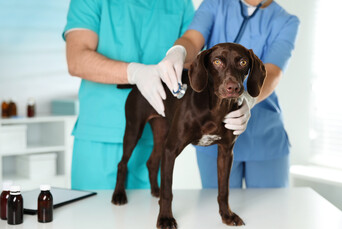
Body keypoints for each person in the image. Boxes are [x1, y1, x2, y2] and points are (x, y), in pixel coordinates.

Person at [158, 0, 300, 188]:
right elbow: (192, 40)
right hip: (211, 126)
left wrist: (249, 99)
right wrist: (179, 51)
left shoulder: (286, 21)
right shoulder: (215, 4)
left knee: (269, 208)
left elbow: (272, 72)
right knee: (215, 207)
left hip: (264, 135)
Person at [63, 0, 194, 190]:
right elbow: (76, 59)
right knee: (92, 217)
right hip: (100, 137)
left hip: (157, 141)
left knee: (150, 216)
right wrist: (134, 72)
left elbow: (194, 56)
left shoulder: (179, 3)